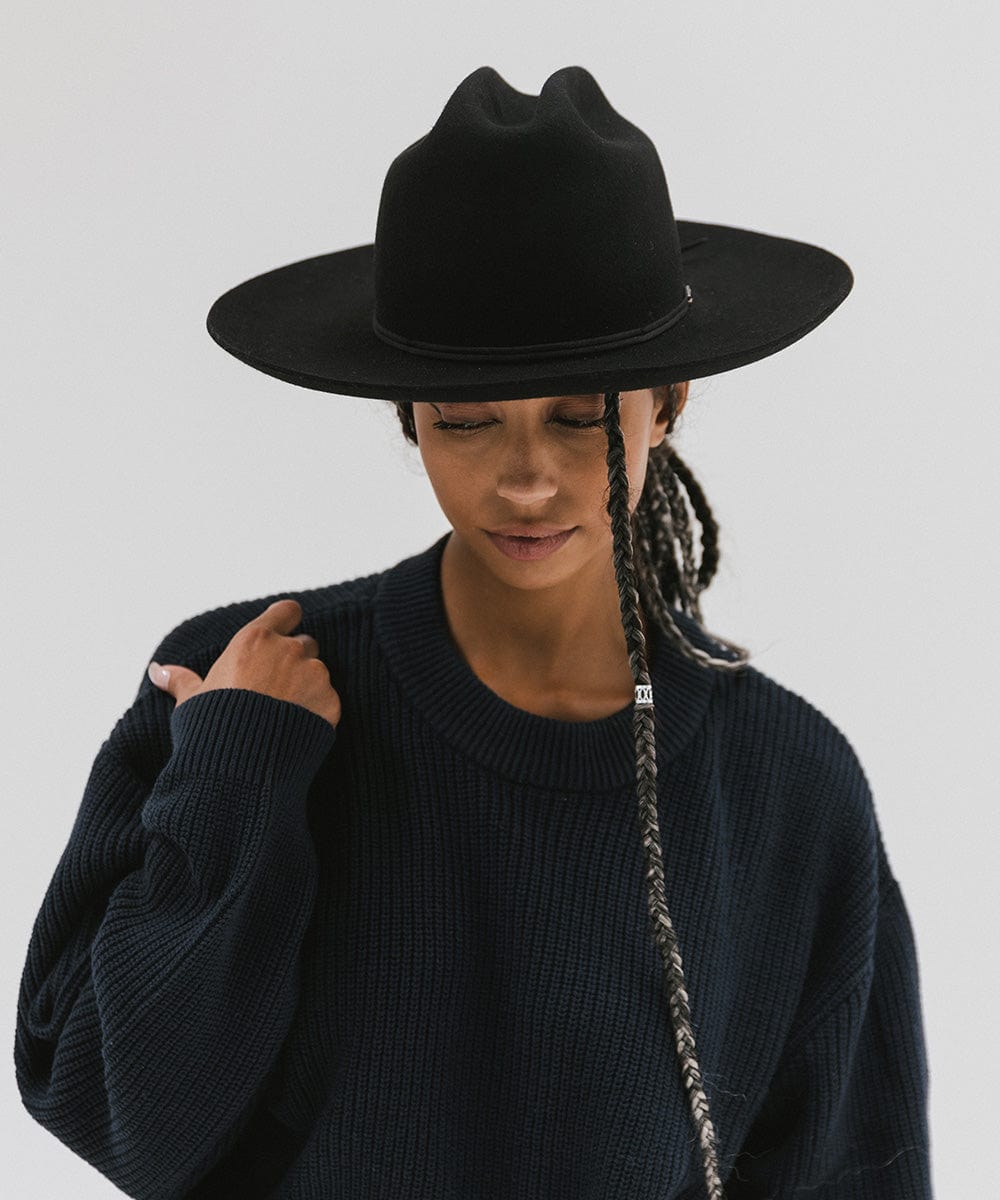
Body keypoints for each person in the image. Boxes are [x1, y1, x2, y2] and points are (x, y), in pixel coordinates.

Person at [14, 65, 932, 1199]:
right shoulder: (241, 692)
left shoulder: (787, 789)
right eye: (466, 422)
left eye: (579, 415)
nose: (527, 478)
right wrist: (237, 780)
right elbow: (117, 1118)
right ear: (407, 413)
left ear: (669, 402)